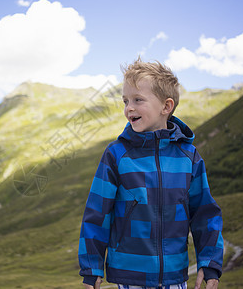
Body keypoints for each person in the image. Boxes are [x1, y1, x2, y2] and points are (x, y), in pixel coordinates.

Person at [78, 58, 223, 289]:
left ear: (166, 107)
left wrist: (210, 262)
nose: (129, 108)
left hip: (175, 277)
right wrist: (91, 268)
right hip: (130, 276)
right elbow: (97, 214)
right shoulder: (116, 155)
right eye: (125, 101)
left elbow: (204, 212)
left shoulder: (189, 157)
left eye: (138, 100)